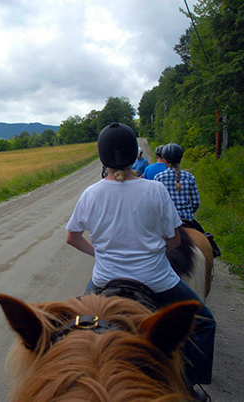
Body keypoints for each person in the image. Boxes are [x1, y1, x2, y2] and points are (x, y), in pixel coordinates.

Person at [65, 123, 215, 400]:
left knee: (78, 326)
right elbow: (175, 242)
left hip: (104, 280)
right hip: (156, 280)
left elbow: (72, 238)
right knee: (205, 322)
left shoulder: (90, 194)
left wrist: (102, 253)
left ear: (102, 158)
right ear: (136, 156)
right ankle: (189, 386)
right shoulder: (155, 191)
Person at [154, 143, 221, 258]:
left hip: (166, 222)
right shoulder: (189, 177)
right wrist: (189, 211)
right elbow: (196, 202)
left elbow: (156, 204)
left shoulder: (158, 178)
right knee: (205, 237)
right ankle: (214, 251)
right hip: (187, 220)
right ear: (180, 159)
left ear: (165, 160)